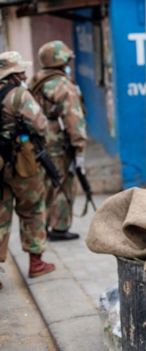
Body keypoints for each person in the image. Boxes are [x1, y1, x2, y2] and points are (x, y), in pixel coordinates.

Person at [0, 51, 55, 288]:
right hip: (22, 161)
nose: (24, 73)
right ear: (14, 73)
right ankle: (36, 263)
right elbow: (40, 125)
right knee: (32, 209)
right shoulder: (20, 95)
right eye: (21, 70)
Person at [30, 40, 87, 241]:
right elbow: (74, 118)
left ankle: (43, 225)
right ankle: (59, 228)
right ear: (61, 60)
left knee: (45, 183)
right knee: (64, 182)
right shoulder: (63, 85)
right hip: (59, 143)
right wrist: (79, 147)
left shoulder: (35, 80)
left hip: (39, 141)